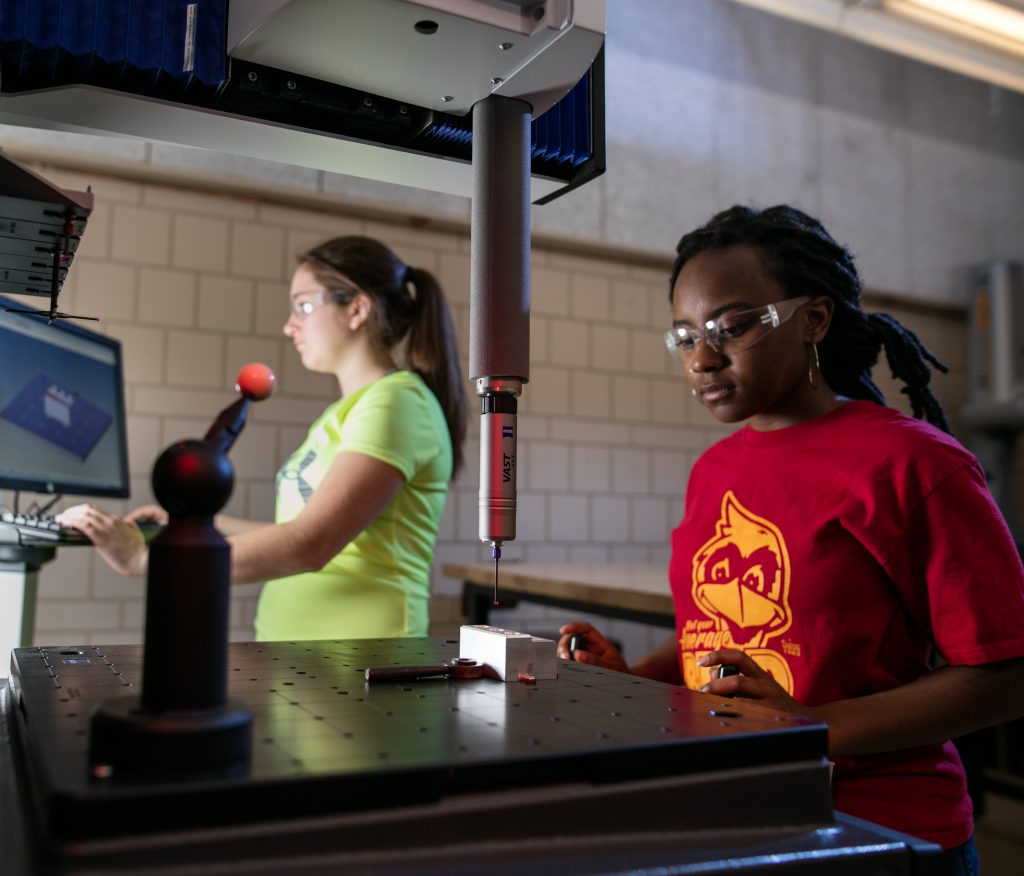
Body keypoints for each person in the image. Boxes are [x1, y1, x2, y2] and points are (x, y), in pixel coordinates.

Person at [557, 205, 1024, 874]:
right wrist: (634, 681)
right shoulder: (714, 470)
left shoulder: (912, 462)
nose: (703, 358)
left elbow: (1005, 678)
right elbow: (720, 636)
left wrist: (812, 725)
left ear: (815, 319)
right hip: (739, 808)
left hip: (876, 828)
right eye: (685, 336)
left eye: (733, 326)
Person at [59, 235, 467, 641]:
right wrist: (195, 525)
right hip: (302, 657)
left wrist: (150, 559)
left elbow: (310, 543)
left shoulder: (398, 402)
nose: (290, 325)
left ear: (358, 308)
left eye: (304, 306)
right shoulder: (345, 412)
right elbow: (295, 527)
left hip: (360, 658)